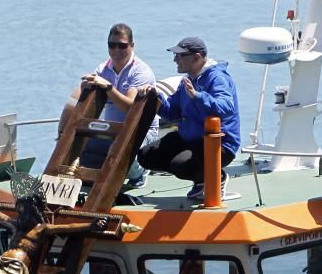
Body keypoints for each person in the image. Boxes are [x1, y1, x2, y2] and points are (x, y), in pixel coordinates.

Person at [138, 37, 241, 199]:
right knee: (146, 156)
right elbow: (172, 112)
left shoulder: (217, 78)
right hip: (191, 137)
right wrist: (155, 97)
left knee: (181, 165)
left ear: (196, 57)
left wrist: (197, 96)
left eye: (179, 56)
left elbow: (226, 108)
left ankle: (216, 177)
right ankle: (202, 179)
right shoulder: (188, 80)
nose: (175, 60)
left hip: (219, 143)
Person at [59, 23, 159, 189]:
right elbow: (80, 98)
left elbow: (129, 109)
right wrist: (65, 131)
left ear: (132, 46)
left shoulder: (140, 72)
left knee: (119, 148)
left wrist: (107, 87)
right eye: (112, 45)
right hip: (112, 130)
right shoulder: (102, 69)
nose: (117, 50)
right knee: (75, 143)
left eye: (122, 45)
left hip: (141, 131)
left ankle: (140, 171)